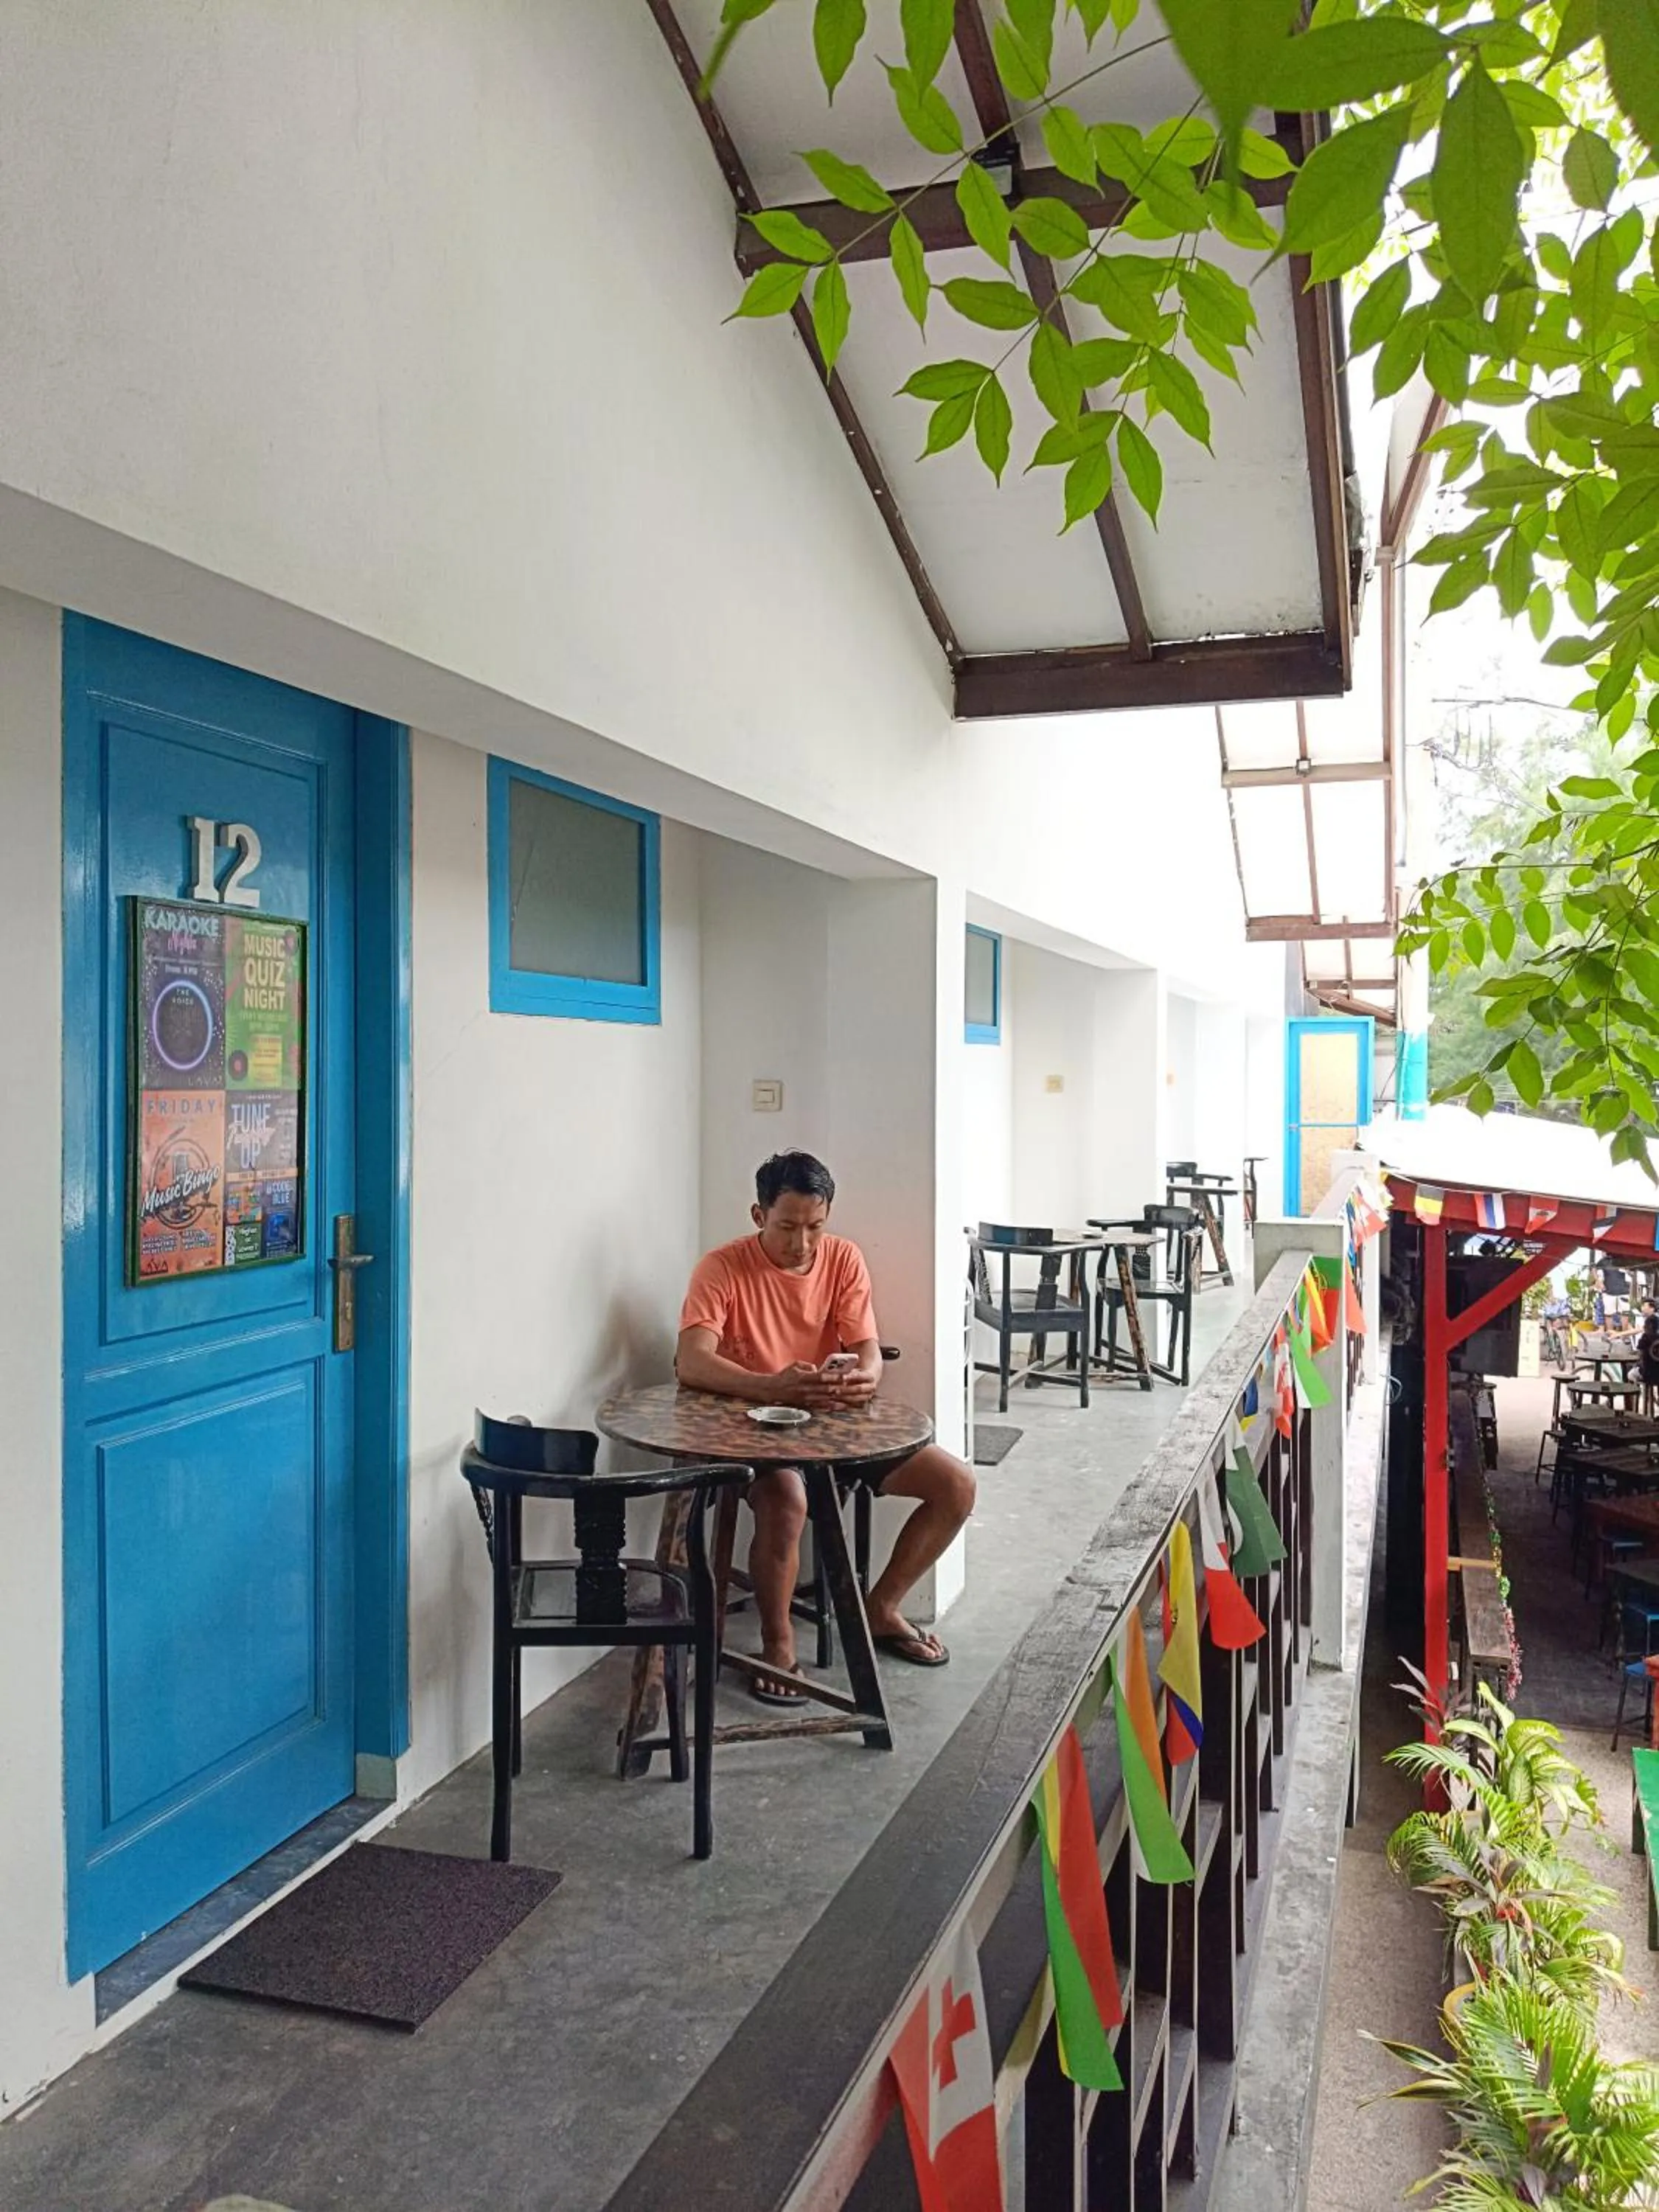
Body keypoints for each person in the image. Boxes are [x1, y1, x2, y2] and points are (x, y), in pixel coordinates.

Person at [676, 1150, 976, 1703]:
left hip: (838, 1426)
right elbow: (691, 1362)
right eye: (787, 1226)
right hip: (758, 1431)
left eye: (816, 1226)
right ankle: (778, 1644)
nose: (803, 1244)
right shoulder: (721, 1268)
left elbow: (867, 1348)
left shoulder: (843, 1259)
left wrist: (864, 1376)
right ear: (757, 1214)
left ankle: (881, 1609)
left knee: (955, 1485)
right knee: (786, 1501)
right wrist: (772, 1387)